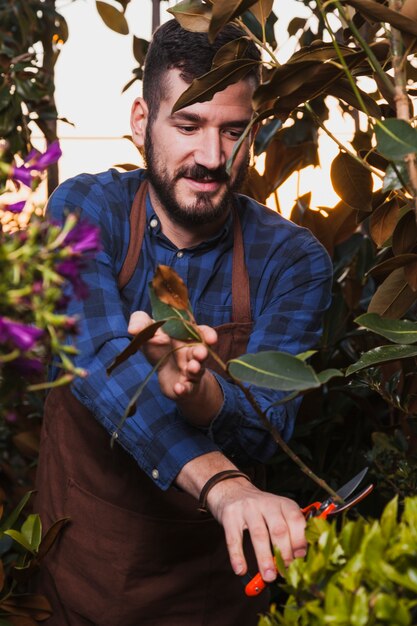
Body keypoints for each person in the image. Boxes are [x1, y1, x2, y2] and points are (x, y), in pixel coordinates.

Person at [35, 18, 333, 626]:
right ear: (142, 119)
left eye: (233, 130)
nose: (211, 157)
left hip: (208, 602)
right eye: (188, 125)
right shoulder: (86, 207)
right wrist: (225, 486)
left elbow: (264, 429)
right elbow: (92, 358)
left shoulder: (294, 260)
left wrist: (200, 394)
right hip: (71, 584)